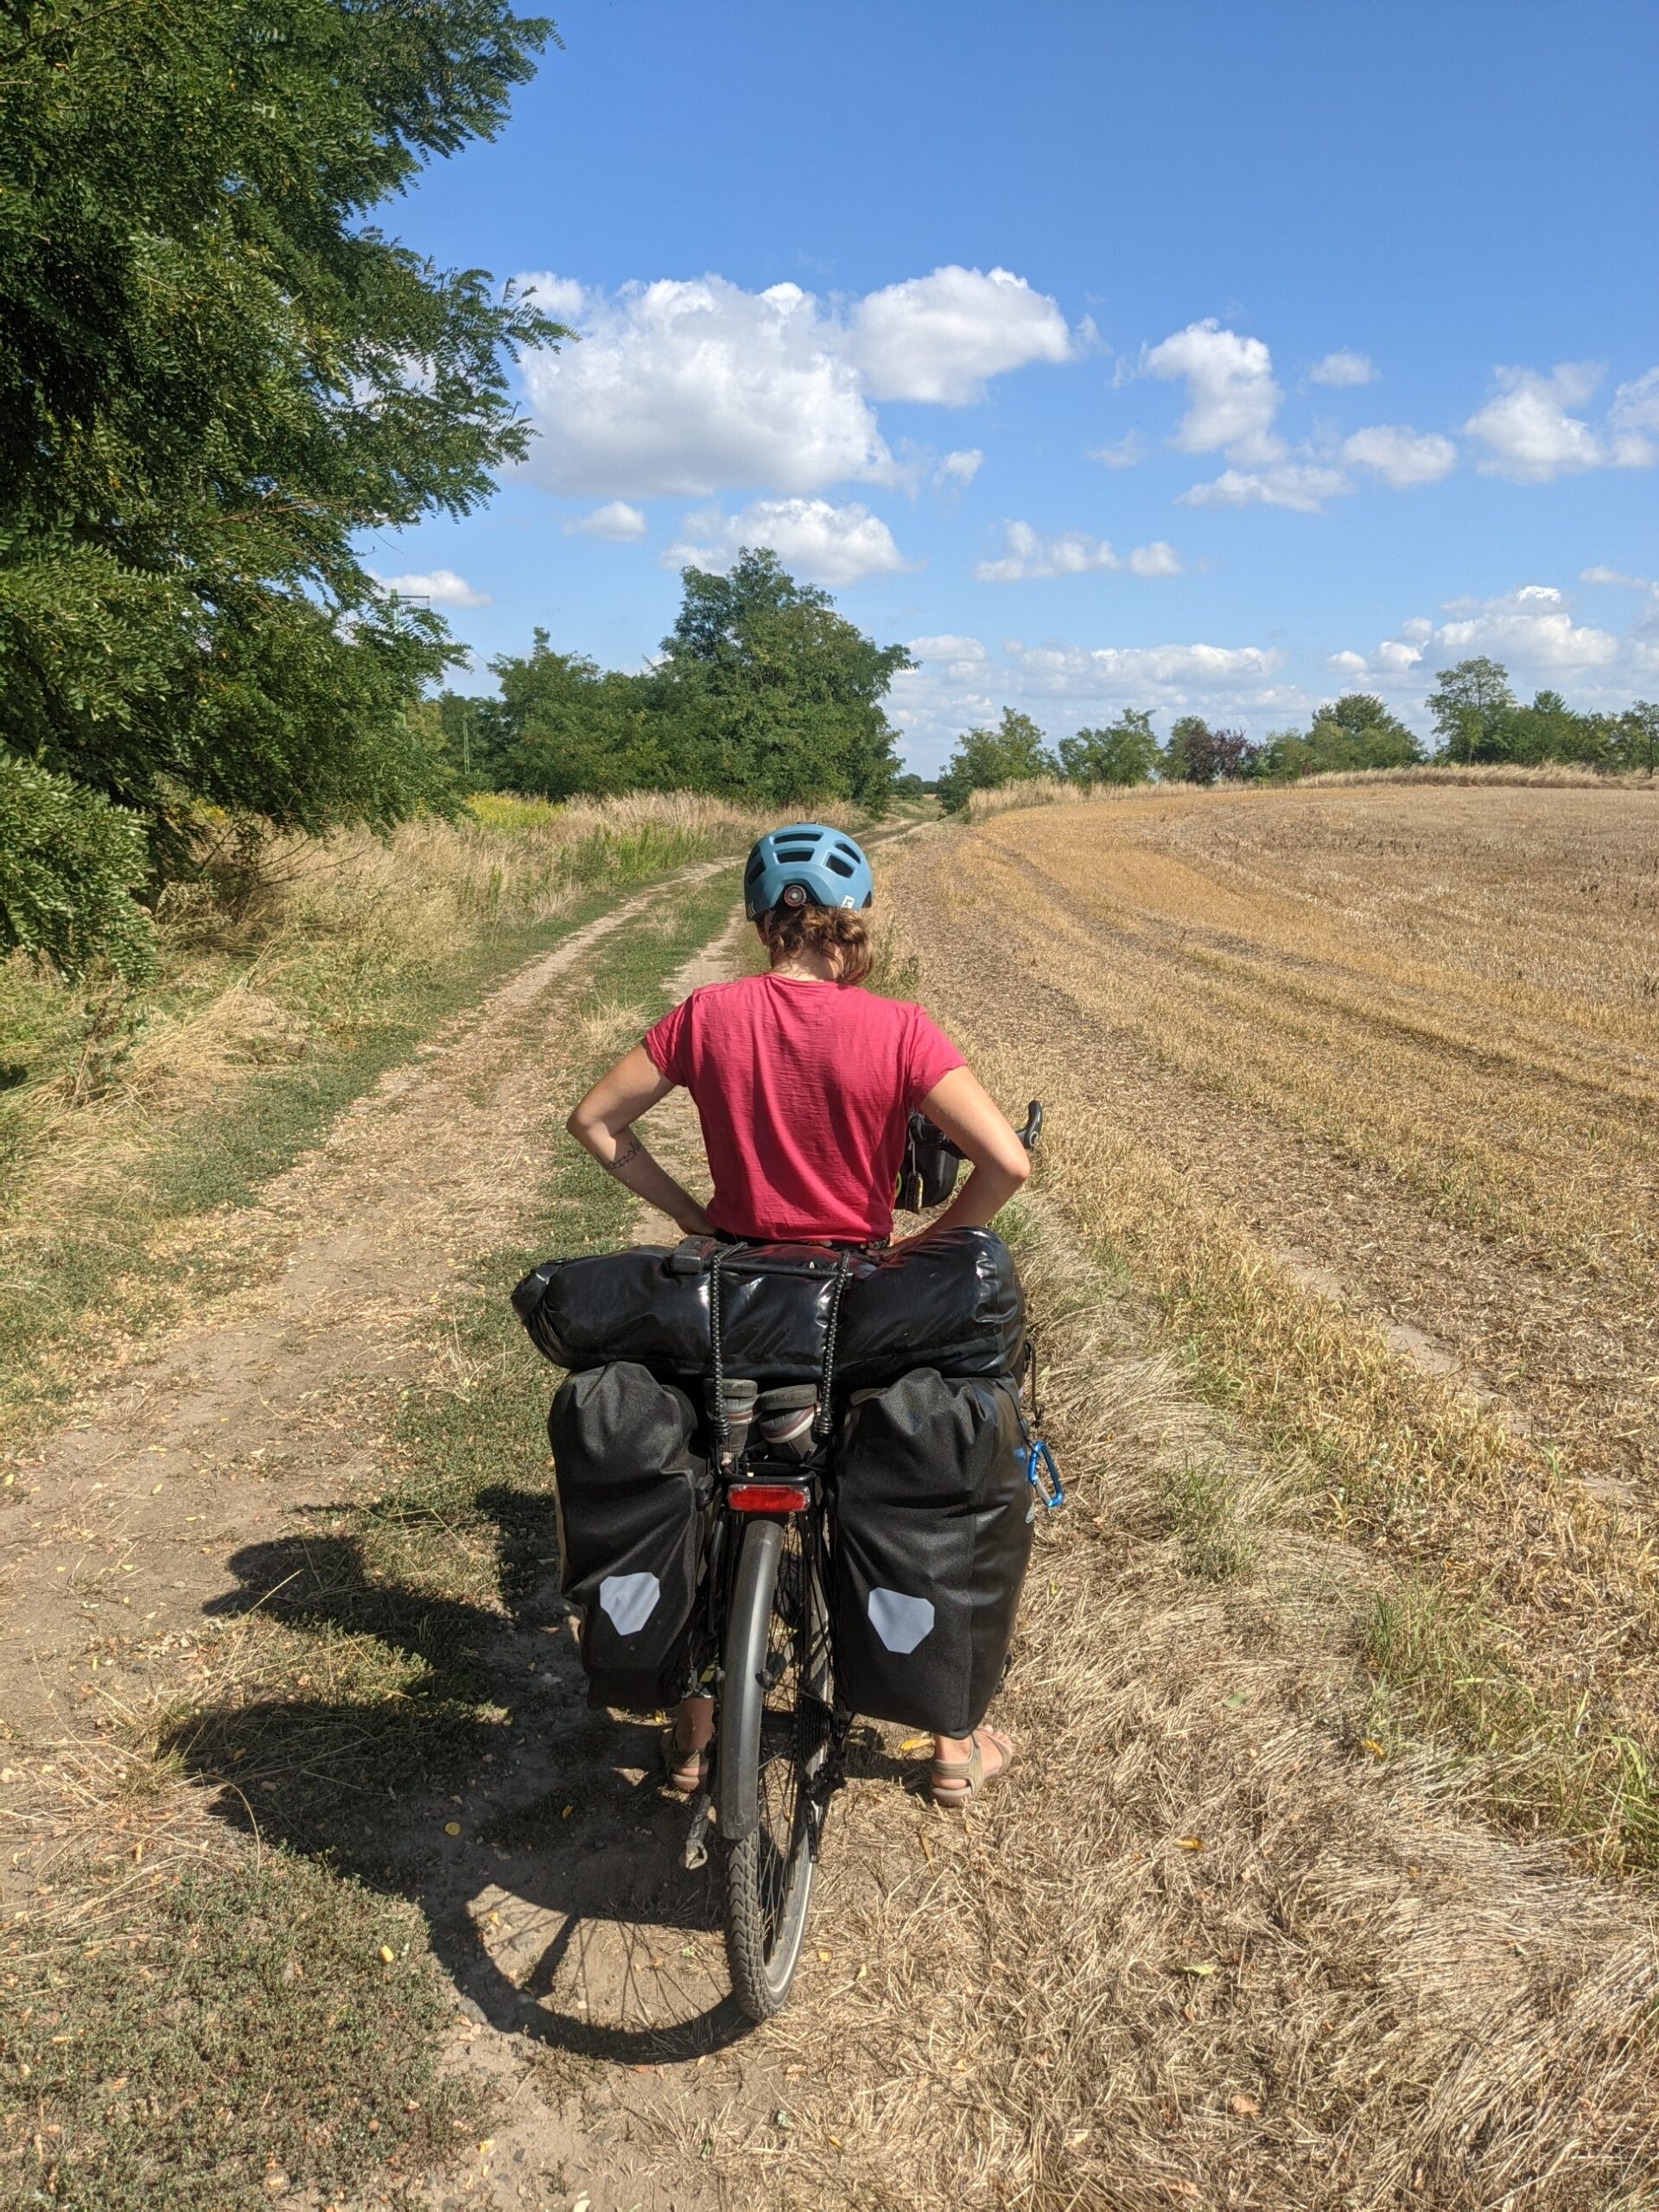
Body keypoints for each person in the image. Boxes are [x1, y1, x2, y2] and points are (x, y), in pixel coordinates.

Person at [565, 823, 1033, 1807]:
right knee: (909, 1481)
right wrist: (922, 1251)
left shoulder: (707, 1014)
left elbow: (595, 1122)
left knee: (703, 1479)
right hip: (851, 1307)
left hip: (729, 1302)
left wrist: (693, 1215)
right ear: (852, 919)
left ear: (757, 918)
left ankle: (693, 1735)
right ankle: (952, 1740)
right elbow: (1006, 1164)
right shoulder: (900, 1028)